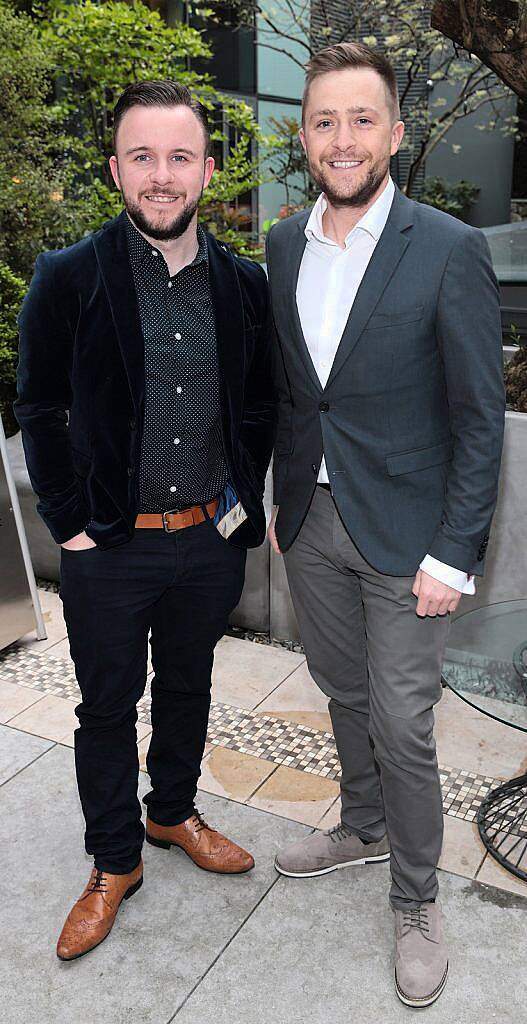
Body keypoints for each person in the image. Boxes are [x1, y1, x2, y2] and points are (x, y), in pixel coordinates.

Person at [266, 43, 504, 1008]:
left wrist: (453, 553)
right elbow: (292, 395)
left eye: (362, 120)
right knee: (341, 690)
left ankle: (416, 897)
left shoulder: (448, 248)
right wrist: (280, 500)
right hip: (312, 524)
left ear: (395, 135)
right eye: (324, 121)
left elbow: (478, 419)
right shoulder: (283, 243)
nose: (342, 138)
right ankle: (361, 828)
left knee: (404, 723)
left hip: (410, 538)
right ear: (305, 135)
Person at [15, 80, 275, 962]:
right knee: (105, 708)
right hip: (108, 547)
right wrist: (71, 526)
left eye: (178, 157)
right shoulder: (68, 276)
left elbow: (258, 406)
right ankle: (113, 859)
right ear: (115, 168)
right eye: (141, 157)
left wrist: (245, 505)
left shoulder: (244, 285)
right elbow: (38, 406)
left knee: (191, 688)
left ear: (206, 170)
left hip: (209, 541)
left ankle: (171, 813)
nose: (160, 176)